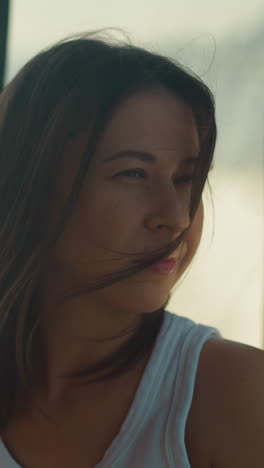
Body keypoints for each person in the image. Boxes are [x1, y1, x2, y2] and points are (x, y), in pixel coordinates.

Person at [0, 28, 263, 468]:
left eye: (186, 178)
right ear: (33, 185)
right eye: (133, 175)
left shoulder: (232, 394)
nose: (175, 216)